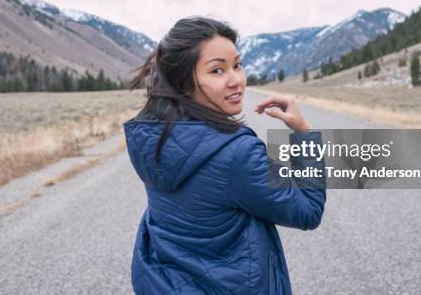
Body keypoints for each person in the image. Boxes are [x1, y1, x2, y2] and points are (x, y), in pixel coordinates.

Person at [123, 16, 326, 294]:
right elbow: (308, 211)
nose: (236, 80)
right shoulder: (236, 154)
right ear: (182, 82)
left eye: (237, 65)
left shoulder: (153, 137)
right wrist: (303, 133)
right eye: (217, 70)